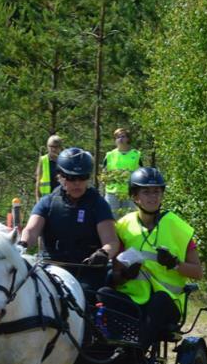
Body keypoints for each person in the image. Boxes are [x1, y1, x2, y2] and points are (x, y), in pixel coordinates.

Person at [98, 167, 203, 351]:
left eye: (157, 192)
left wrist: (175, 264)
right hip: (132, 299)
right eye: (146, 192)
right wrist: (124, 275)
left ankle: (136, 352)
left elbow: (198, 272)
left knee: (159, 300)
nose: (153, 197)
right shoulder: (123, 226)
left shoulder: (177, 226)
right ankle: (112, 347)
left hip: (167, 302)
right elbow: (115, 275)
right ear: (134, 196)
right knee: (103, 293)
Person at [21, 147, 119, 299]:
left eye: (82, 177)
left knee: (85, 297)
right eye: (71, 178)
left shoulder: (98, 204)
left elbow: (111, 241)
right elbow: (31, 231)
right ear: (60, 176)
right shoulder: (47, 202)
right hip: (51, 268)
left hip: (86, 271)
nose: (77, 183)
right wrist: (22, 244)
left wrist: (104, 253)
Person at [101, 127, 142, 219]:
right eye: (117, 137)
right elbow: (104, 174)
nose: (120, 139)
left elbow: (142, 173)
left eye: (123, 136)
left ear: (128, 139)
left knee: (130, 219)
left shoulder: (136, 155)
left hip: (130, 193)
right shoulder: (109, 155)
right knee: (110, 219)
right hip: (112, 193)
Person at [35, 135, 63, 202]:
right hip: (47, 200)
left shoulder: (64, 160)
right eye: (51, 146)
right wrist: (37, 199)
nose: (53, 149)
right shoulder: (43, 160)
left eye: (56, 147)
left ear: (60, 147)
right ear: (47, 147)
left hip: (61, 199)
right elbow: (38, 182)